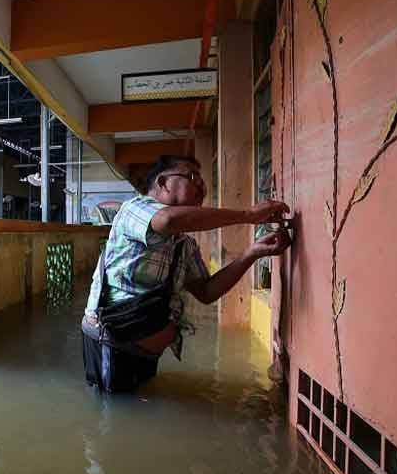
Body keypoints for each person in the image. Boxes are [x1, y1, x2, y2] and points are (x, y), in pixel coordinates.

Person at [82, 154, 292, 391]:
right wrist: (247, 216)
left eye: (203, 182)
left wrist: (252, 253)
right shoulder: (134, 208)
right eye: (192, 177)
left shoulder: (184, 244)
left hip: (143, 353)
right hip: (110, 343)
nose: (201, 187)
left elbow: (207, 291)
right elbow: (167, 220)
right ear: (162, 182)